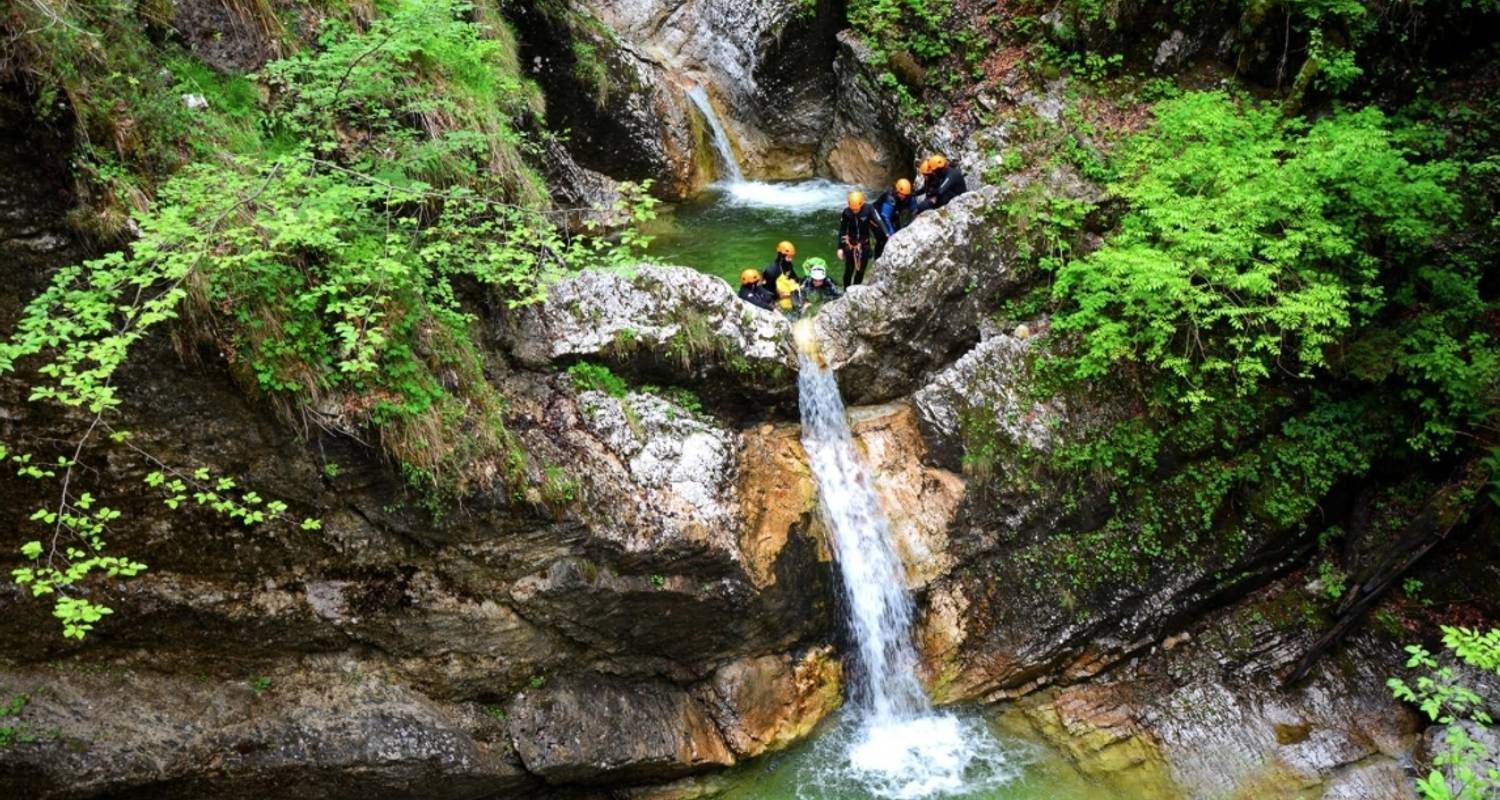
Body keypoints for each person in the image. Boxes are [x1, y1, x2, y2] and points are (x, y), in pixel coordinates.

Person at [836, 190, 881, 288]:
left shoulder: (868, 209)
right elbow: (842, 230)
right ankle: (846, 290)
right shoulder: (847, 212)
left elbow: (878, 222)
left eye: (857, 209)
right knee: (849, 269)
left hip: (864, 245)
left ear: (862, 204)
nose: (855, 211)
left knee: (860, 270)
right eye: (853, 210)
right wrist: (840, 248)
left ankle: (856, 288)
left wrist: (886, 234)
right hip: (850, 245)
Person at [871, 178, 917, 258]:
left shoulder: (908, 196)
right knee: (882, 238)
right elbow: (885, 217)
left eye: (905, 195)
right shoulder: (890, 198)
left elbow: (914, 208)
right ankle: (877, 258)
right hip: (877, 217)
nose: (903, 197)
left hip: (893, 214)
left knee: (898, 232)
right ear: (897, 191)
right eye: (902, 194)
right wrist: (892, 234)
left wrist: (912, 220)